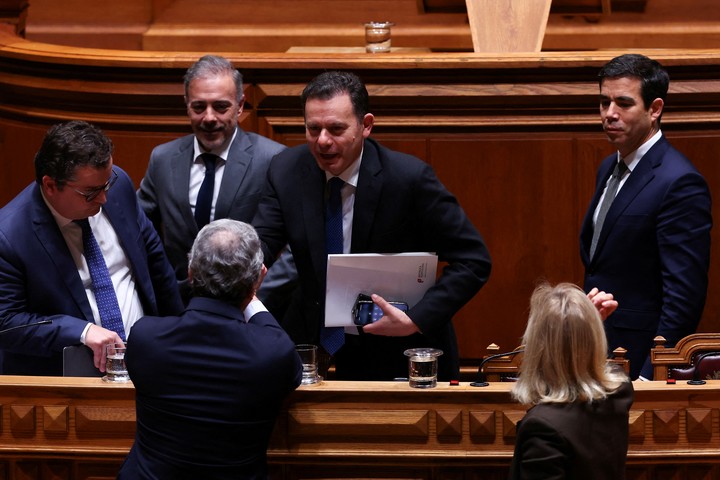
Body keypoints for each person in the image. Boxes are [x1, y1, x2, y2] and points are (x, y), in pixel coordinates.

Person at [252, 70, 492, 381]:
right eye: (313, 129)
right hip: (311, 345)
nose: (323, 141)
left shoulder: (409, 180)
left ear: (366, 125)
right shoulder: (286, 170)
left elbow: (474, 261)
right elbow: (262, 242)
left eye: (336, 129)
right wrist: (239, 268)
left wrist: (415, 319)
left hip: (397, 347)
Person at [117, 219, 302, 480]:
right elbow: (285, 358)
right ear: (259, 277)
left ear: (191, 273)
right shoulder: (273, 352)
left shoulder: (147, 337)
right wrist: (252, 296)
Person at [0, 120, 183, 376]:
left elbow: (154, 260)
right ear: (51, 186)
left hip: (147, 362)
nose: (104, 198)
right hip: (69, 379)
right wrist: (81, 331)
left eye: (106, 184)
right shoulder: (9, 236)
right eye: (90, 193)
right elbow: (6, 323)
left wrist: (179, 330)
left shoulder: (117, 186)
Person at [580, 53, 712, 380]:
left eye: (623, 103)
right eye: (603, 102)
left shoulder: (679, 181)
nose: (610, 114)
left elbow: (684, 295)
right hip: (602, 351)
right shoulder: (608, 168)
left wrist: (652, 373)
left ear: (655, 109)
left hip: (641, 362)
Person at [137, 54, 297, 313]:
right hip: (179, 308)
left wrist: (255, 298)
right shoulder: (162, 159)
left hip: (248, 308)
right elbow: (138, 231)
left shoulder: (272, 159)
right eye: (199, 107)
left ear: (240, 105)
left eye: (221, 106)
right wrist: (163, 289)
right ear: (186, 104)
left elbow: (298, 245)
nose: (209, 117)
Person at [509, 282, 633, 480]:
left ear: (536, 348)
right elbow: (602, 368)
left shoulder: (543, 428)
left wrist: (581, 324)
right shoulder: (620, 391)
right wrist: (585, 326)